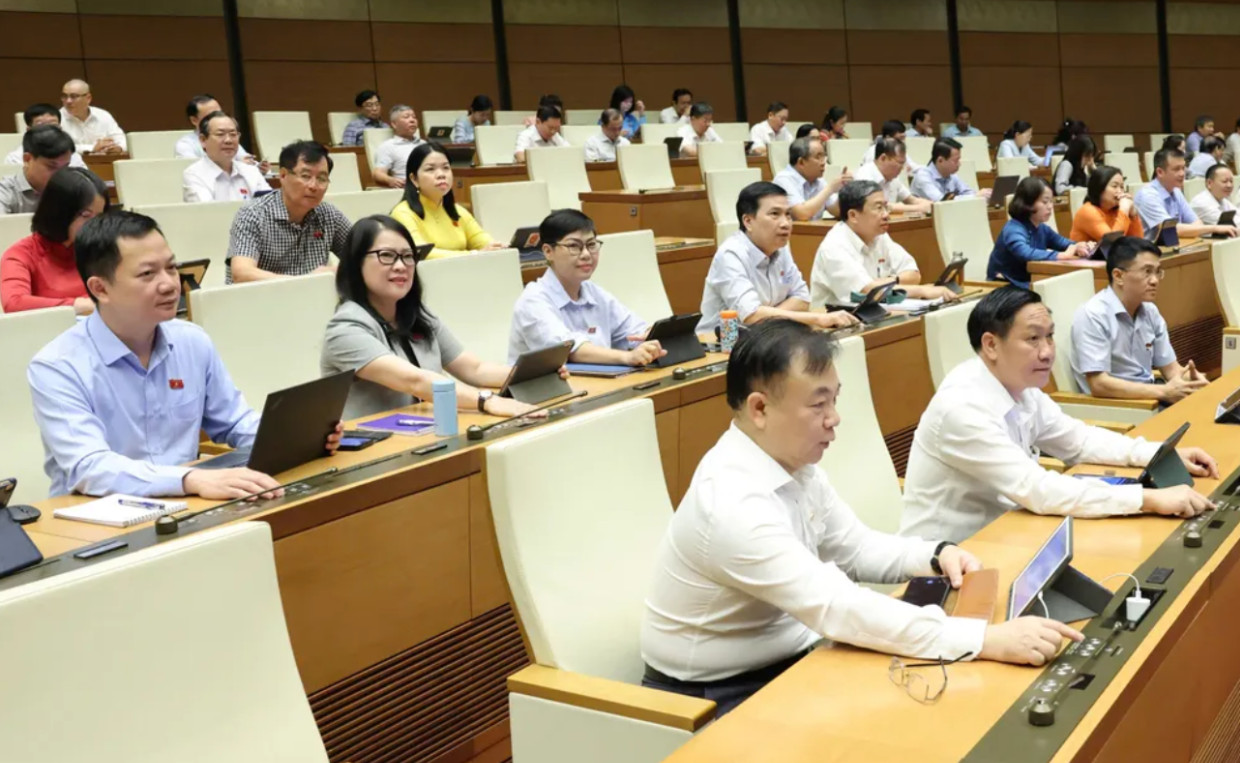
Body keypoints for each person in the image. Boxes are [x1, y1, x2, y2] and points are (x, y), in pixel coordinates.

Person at [641, 318, 1085, 717]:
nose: (834, 419)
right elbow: (836, 606)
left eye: (834, 400)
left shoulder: (791, 464)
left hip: (801, 654)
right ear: (760, 409)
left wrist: (934, 554)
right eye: (818, 405)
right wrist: (985, 640)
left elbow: (854, 548)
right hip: (716, 696)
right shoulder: (731, 503)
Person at [29, 210, 342, 499]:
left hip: (187, 504)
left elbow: (234, 422)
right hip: (93, 518)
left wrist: (299, 435)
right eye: (148, 274)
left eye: (171, 267)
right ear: (100, 289)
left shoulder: (191, 341)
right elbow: (90, 468)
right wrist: (189, 480)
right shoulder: (58, 365)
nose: (169, 284)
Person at [899, 286, 1218, 543]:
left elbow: (1079, 440)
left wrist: (1157, 454)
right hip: (949, 559)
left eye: (1050, 336)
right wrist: (1147, 499)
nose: (1047, 351)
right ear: (991, 345)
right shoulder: (962, 408)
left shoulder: (1019, 385)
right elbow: (1036, 488)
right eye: (1032, 338)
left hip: (1011, 531)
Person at [322, 214, 548, 420]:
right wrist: (487, 400)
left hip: (427, 430)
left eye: (408, 256)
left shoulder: (418, 315)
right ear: (356, 263)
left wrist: (538, 374)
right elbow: (415, 381)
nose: (401, 266)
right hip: (378, 444)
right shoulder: (345, 329)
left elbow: (475, 370)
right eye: (387, 256)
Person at [697, 182, 859, 334]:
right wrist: (817, 318)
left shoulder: (780, 247)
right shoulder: (730, 255)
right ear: (748, 221)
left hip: (769, 335)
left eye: (788, 215)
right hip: (719, 344)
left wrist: (767, 316)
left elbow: (803, 300)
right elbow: (751, 316)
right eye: (775, 214)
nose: (785, 223)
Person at [509, 209, 665, 366]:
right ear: (548, 252)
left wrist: (648, 337)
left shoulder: (594, 293)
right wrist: (626, 357)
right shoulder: (532, 301)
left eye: (591, 245)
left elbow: (633, 331)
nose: (586, 254)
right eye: (573, 246)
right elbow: (567, 349)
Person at [1071, 237, 1207, 402]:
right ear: (1118, 276)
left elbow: (1171, 370)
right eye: (1147, 272)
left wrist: (1193, 381)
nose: (1155, 280)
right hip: (1121, 406)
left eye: (1158, 272)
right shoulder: (1093, 315)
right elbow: (1099, 384)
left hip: (1149, 395)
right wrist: (1163, 391)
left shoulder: (1150, 311)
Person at [810, 180, 960, 306]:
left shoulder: (879, 235)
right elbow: (867, 291)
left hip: (874, 312)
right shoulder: (835, 246)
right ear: (853, 215)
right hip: (836, 323)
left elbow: (914, 274)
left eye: (886, 207)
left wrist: (887, 281)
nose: (886, 215)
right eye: (878, 208)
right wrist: (922, 290)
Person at [227, 140, 351, 283]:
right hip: (262, 296)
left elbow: (364, 254)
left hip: (313, 295)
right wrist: (308, 281)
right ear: (283, 175)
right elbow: (242, 274)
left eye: (322, 179)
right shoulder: (253, 214)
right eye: (305, 176)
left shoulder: (328, 215)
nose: (314, 186)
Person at [1, 167, 107, 314]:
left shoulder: (102, 247)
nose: (94, 224)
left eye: (99, 216)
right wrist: (78, 305)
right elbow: (14, 303)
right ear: (60, 212)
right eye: (85, 215)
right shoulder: (21, 254)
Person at [390, 142, 502, 259]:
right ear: (414, 179)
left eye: (446, 168)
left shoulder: (458, 211)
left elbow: (482, 241)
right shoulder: (403, 213)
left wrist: (497, 248)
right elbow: (420, 252)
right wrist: (473, 254)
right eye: (430, 169)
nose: (441, 174)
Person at [988, 176, 1091, 287]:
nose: (1050, 206)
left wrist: (1079, 246)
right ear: (1028, 203)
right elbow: (1025, 253)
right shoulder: (1014, 228)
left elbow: (1063, 243)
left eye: (1051, 201)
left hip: (1028, 284)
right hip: (1004, 285)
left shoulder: (1042, 228)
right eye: (1045, 202)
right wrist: (1060, 255)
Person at [1133, 148, 1237, 239]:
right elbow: (1170, 230)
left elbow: (1197, 223)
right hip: (1148, 251)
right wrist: (1215, 228)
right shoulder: (1147, 196)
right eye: (1176, 169)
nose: (1182, 174)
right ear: (1160, 172)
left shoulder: (1176, 191)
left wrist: (1199, 229)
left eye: (1183, 168)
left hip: (1176, 247)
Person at [182, 112, 271, 203]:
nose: (228, 140)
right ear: (203, 140)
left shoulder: (251, 171)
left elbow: (270, 205)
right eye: (220, 134)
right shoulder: (194, 175)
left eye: (233, 134)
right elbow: (208, 210)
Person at [0, 125, 76, 215]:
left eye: (65, 167)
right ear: (27, 159)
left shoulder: (73, 189)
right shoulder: (5, 192)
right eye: (52, 167)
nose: (60, 175)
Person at [771, 136, 848, 221]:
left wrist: (845, 190)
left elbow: (836, 211)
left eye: (823, 157)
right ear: (801, 162)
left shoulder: (819, 181)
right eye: (818, 157)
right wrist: (830, 189)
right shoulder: (783, 179)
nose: (823, 163)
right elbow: (801, 214)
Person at [853, 137, 932, 215]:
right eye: (900, 163)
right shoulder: (864, 176)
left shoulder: (893, 178)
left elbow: (912, 200)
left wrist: (933, 205)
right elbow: (880, 207)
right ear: (883, 158)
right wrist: (918, 208)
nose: (902, 168)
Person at [1068, 165, 1144, 242]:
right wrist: (1124, 210)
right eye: (1114, 186)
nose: (1120, 191)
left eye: (1121, 187)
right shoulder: (1087, 211)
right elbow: (1112, 242)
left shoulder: (1116, 209)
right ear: (1099, 188)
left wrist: (1132, 215)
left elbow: (1138, 242)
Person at [174, 94, 255, 163]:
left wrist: (255, 165)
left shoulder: (229, 138)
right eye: (211, 116)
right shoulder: (185, 145)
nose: (218, 118)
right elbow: (195, 170)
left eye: (219, 113)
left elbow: (245, 160)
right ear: (194, 120)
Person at [5, 104, 86, 168]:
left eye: (53, 125)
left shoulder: (71, 155)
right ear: (29, 130)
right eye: (41, 126)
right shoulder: (15, 158)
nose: (48, 130)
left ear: (60, 129)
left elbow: (84, 180)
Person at [58, 79, 126, 154]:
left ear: (88, 98)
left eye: (73, 96)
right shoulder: (57, 118)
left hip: (105, 160)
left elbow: (122, 140)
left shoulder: (103, 115)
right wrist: (92, 148)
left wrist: (118, 148)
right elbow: (59, 147)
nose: (68, 101)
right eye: (64, 96)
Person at [910, 138, 986, 202]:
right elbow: (941, 201)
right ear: (940, 160)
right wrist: (976, 196)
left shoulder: (951, 175)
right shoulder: (923, 177)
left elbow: (967, 192)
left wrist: (980, 195)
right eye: (956, 160)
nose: (959, 164)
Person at [372, 104, 424, 189]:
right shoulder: (388, 146)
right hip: (407, 188)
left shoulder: (424, 144)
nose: (412, 120)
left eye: (414, 117)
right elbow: (377, 174)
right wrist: (390, 180)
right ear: (394, 124)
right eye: (406, 117)